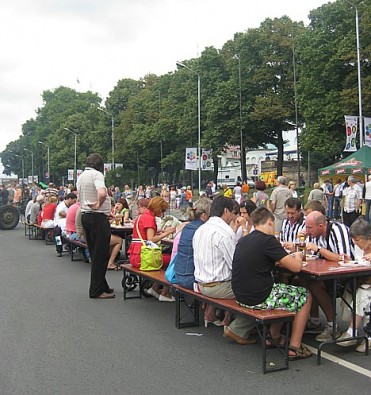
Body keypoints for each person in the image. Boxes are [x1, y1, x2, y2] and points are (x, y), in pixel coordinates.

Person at [232, 207, 312, 360]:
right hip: (258, 297)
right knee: (306, 295)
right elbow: (296, 267)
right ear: (269, 222)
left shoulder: (245, 239)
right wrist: (298, 255)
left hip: (241, 295)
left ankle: (273, 336)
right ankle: (295, 347)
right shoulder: (268, 240)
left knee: (283, 291)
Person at [193, 195, 257, 344]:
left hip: (201, 285)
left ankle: (237, 323)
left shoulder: (201, 229)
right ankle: (238, 329)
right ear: (226, 211)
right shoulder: (223, 232)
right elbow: (236, 266)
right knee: (258, 292)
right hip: (219, 286)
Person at [305, 211, 354, 341]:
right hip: (331, 273)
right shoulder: (318, 235)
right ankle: (314, 321)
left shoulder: (338, 230)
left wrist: (318, 249)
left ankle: (332, 327)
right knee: (303, 280)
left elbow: (344, 258)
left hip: (349, 274)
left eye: (309, 227)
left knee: (314, 283)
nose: (307, 230)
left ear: (320, 225)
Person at [77, 153, 114, 299]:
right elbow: (102, 192)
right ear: (100, 165)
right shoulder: (97, 175)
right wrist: (99, 205)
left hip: (86, 216)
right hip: (97, 218)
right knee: (101, 254)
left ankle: (102, 284)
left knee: (94, 252)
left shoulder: (81, 176)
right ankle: (96, 290)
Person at [128, 196, 176, 301]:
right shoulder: (149, 218)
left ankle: (155, 287)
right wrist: (167, 232)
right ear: (158, 208)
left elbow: (144, 233)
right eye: (163, 210)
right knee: (172, 261)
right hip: (142, 257)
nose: (163, 213)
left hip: (136, 254)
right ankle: (164, 292)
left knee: (167, 258)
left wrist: (159, 231)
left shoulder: (143, 216)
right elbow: (151, 239)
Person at [338, 219, 371, 352]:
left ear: (368, 238)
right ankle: (367, 336)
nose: (355, 243)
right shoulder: (359, 248)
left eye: (357, 240)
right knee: (360, 291)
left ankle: (352, 332)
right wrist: (350, 261)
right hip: (364, 283)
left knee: (363, 292)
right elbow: (360, 264)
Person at [174, 197, 212, 290]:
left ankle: (205, 305)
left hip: (179, 273)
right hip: (190, 278)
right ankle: (206, 304)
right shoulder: (202, 229)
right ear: (204, 215)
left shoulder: (188, 226)